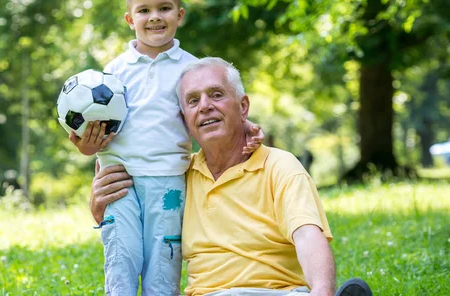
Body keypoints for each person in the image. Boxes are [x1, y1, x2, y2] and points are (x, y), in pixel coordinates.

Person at [90, 57, 373, 296]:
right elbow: (145, 231)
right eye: (192, 101)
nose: (204, 106)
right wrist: (101, 210)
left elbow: (308, 237)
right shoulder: (177, 178)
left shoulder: (279, 166)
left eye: (216, 95)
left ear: (243, 107)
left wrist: (322, 293)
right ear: (183, 120)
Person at [68, 0, 264, 295]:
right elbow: (95, 134)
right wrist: (88, 148)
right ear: (130, 19)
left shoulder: (191, 69)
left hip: (169, 181)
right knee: (122, 259)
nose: (155, 17)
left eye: (164, 8)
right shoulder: (112, 73)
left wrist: (246, 127)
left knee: (163, 263)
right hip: (120, 180)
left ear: (179, 15)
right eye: (144, 11)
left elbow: (212, 110)